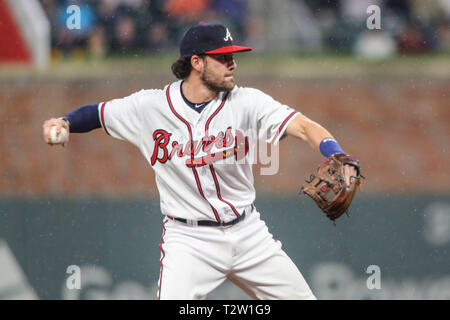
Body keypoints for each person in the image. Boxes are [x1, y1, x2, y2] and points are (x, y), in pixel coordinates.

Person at [43, 22, 357, 300]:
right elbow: (96, 114)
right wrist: (65, 121)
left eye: (233, 56)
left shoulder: (247, 102)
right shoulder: (150, 107)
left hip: (248, 233)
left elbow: (303, 126)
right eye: (223, 57)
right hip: (189, 240)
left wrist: (337, 153)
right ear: (196, 62)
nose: (232, 64)